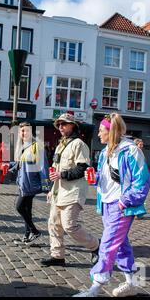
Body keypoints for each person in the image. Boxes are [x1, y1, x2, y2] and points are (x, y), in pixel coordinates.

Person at [74, 113, 150, 297]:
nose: (98, 134)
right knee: (121, 244)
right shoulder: (104, 152)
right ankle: (134, 282)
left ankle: (95, 288)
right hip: (106, 204)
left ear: (112, 131)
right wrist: (94, 179)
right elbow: (106, 178)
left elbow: (143, 180)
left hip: (121, 206)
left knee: (107, 245)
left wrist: (125, 201)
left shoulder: (131, 150)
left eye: (101, 130)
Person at [41, 113, 100, 267]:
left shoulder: (79, 144)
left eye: (64, 124)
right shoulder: (60, 145)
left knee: (69, 225)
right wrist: (51, 188)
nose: (61, 127)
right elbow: (56, 169)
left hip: (73, 191)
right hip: (58, 191)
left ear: (72, 125)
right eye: (59, 124)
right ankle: (57, 256)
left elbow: (83, 168)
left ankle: (96, 246)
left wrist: (62, 174)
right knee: (53, 224)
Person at [11, 122, 50, 246]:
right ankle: (27, 236)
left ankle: (35, 231)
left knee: (19, 207)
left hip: (30, 184)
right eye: (21, 131)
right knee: (27, 209)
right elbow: (22, 163)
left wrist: (46, 186)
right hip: (24, 183)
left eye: (26, 130)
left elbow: (43, 167)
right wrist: (11, 167)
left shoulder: (37, 146)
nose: (24, 133)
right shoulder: (24, 146)